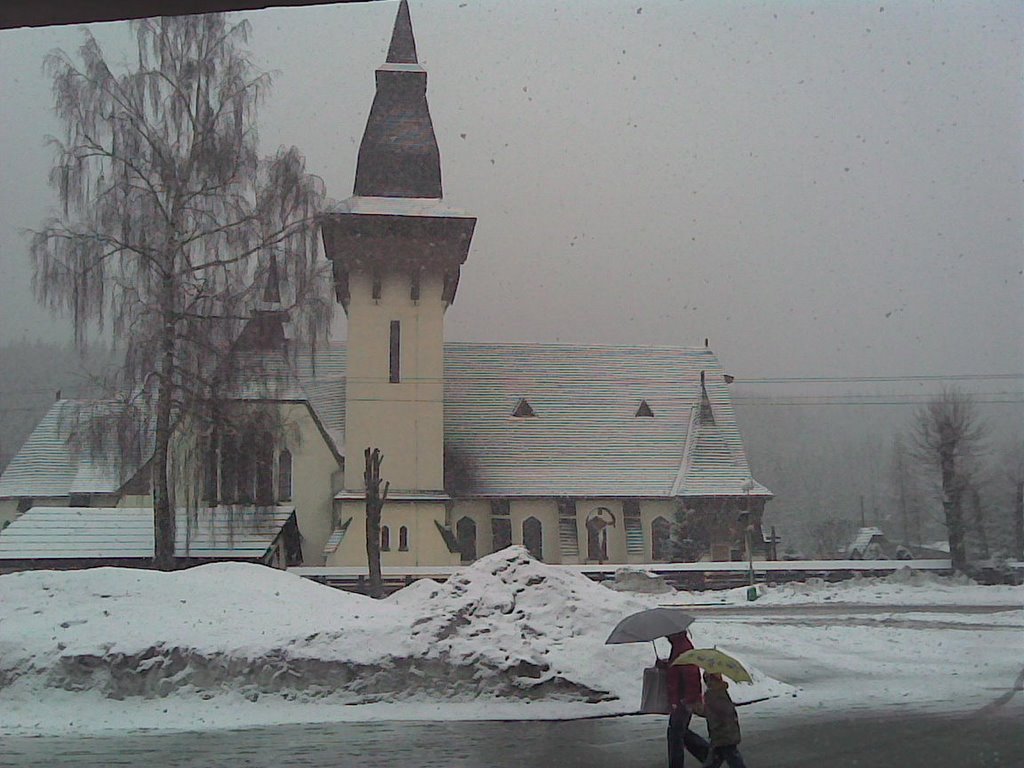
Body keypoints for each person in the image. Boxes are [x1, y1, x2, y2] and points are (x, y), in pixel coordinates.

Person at [658, 630, 710, 768]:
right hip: (681, 698)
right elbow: (677, 668)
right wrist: (666, 665)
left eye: (667, 633)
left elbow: (691, 675)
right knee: (680, 732)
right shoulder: (678, 646)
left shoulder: (683, 648)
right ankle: (708, 753)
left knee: (675, 734)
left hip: (683, 699)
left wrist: (691, 699)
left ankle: (707, 754)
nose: (665, 635)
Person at [692, 671, 748, 768]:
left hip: (722, 733)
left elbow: (717, 710)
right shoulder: (720, 691)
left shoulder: (713, 693)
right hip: (724, 732)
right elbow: (714, 711)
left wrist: (699, 708)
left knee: (730, 758)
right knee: (717, 758)